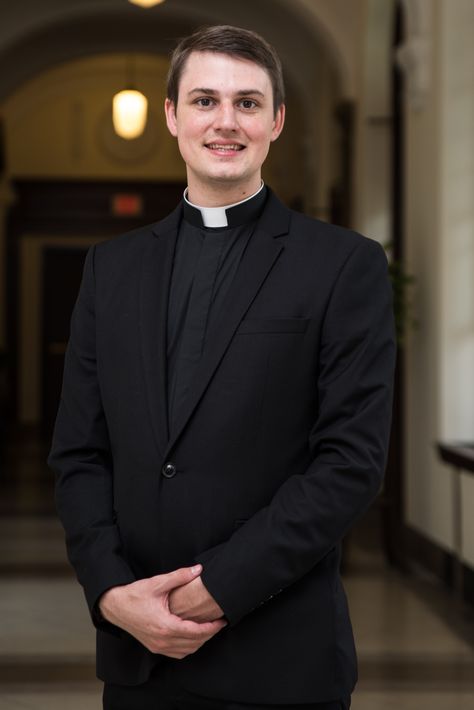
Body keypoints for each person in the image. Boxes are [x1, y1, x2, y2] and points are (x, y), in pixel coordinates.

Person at [48, 24, 396, 710]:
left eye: (247, 102)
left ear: (276, 120)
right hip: (139, 658)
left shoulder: (342, 265)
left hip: (280, 659)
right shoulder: (110, 269)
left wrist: (219, 588)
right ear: (173, 115)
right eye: (205, 100)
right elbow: (80, 452)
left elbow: (350, 462)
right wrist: (112, 593)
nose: (225, 121)